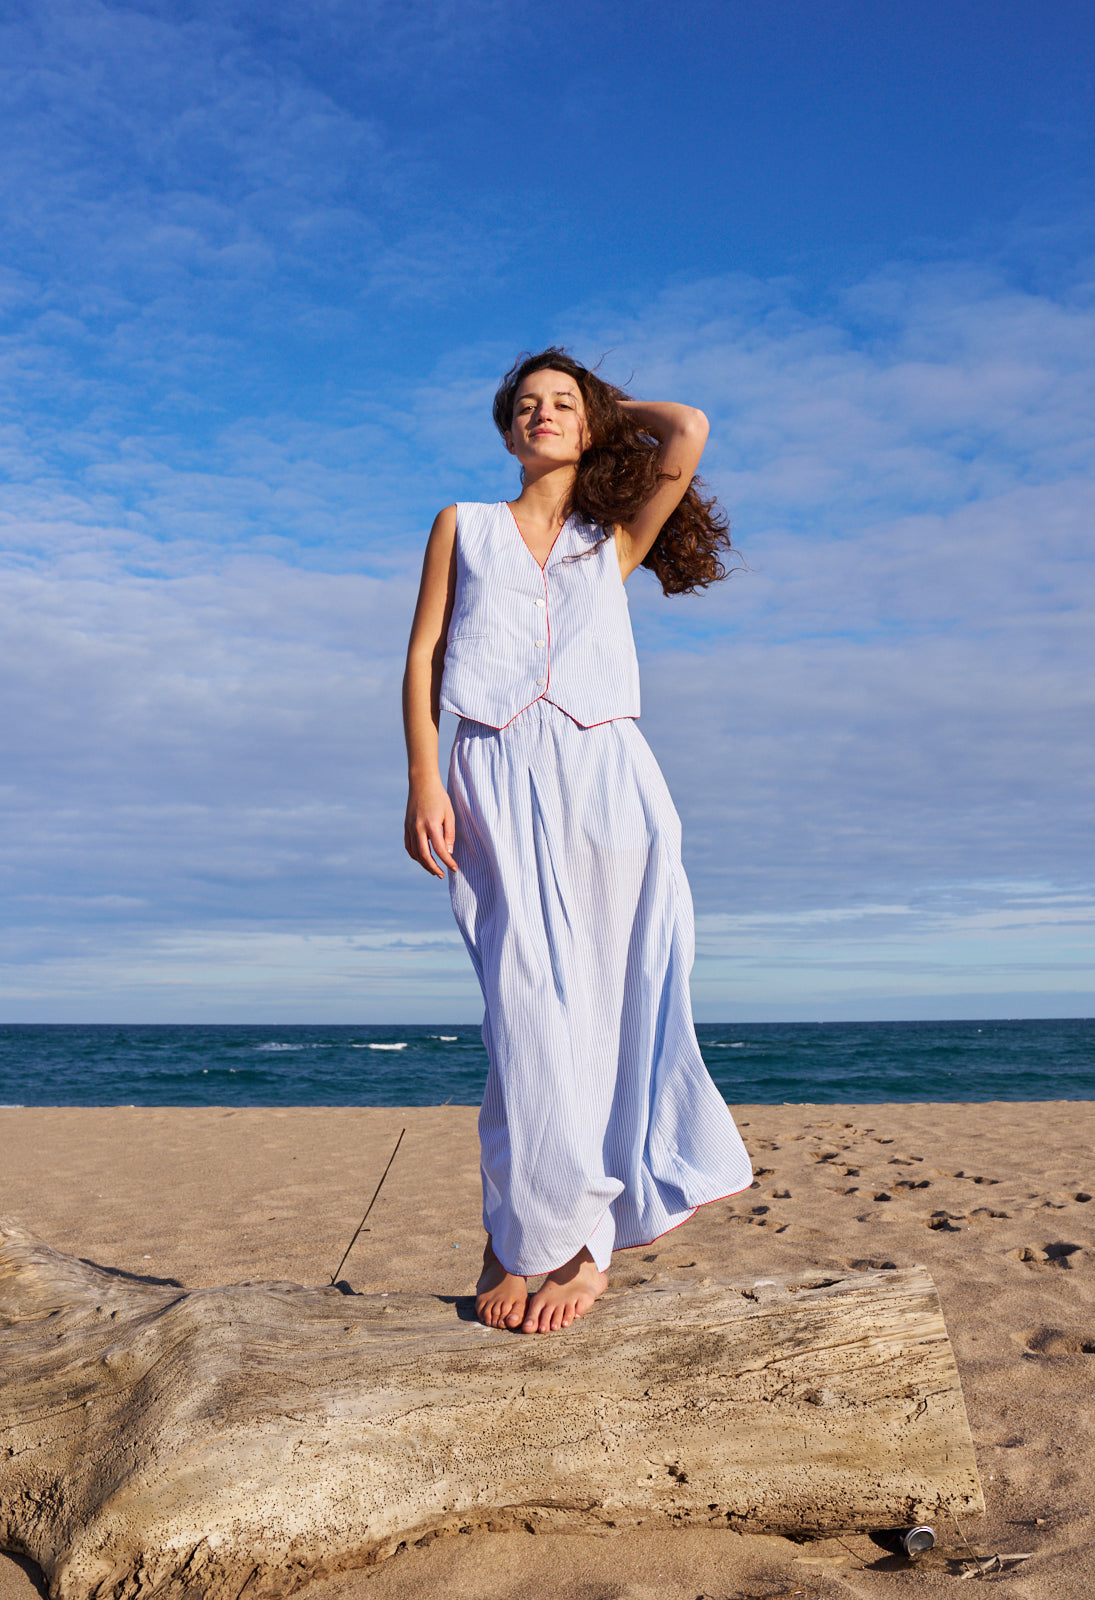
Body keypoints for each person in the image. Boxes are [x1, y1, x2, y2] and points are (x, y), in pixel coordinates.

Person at [402, 348, 752, 1335]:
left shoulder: (614, 539)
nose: (542, 415)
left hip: (608, 784)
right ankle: (519, 1233)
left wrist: (606, 407)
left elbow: (686, 427)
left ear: (588, 425)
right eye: (527, 404)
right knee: (522, 1012)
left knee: (610, 1006)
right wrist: (424, 775)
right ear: (506, 428)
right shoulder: (463, 527)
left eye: (561, 405)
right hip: (492, 778)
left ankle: (580, 1245)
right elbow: (425, 654)